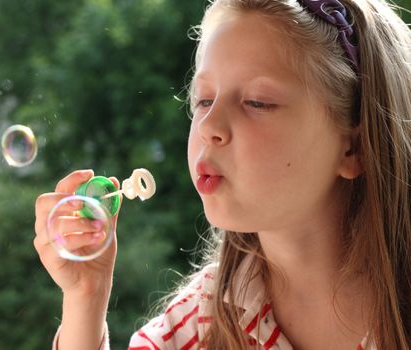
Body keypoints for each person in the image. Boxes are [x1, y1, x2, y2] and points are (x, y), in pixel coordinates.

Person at [33, 0, 411, 348]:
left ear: (353, 147)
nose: (209, 125)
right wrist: (86, 298)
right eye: (203, 100)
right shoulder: (199, 325)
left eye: (256, 102)